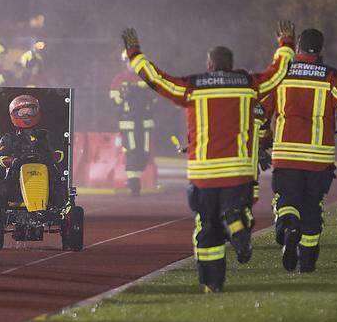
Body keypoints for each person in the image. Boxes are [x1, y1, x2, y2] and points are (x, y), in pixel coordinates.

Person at [121, 24, 294, 293]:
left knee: (207, 227)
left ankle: (212, 283)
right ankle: (238, 226)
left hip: (204, 175)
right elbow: (278, 72)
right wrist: (286, 42)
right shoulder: (249, 85)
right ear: (231, 64)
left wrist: (134, 53)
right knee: (236, 211)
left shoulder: (193, 87)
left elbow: (157, 80)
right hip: (237, 172)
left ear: (210, 64)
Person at [260, 27, 337, 273]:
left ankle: (288, 227)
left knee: (286, 200)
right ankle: (306, 261)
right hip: (319, 159)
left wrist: (263, 143)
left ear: (297, 48)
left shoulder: (282, 73)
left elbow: (263, 112)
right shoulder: (330, 76)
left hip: (286, 157)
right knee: (312, 206)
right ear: (321, 50)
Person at [0, 94, 66, 247]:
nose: (26, 116)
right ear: (14, 115)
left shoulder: (46, 135)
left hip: (45, 180)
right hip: (16, 182)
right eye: (22, 113)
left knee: (61, 191)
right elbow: (1, 159)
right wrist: (13, 160)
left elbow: (59, 154)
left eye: (29, 111)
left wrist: (51, 156)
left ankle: (64, 220)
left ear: (37, 112)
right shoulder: (8, 138)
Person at [110, 50, 157, 196]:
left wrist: (148, 96)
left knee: (144, 151)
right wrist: (124, 97)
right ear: (125, 63)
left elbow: (155, 98)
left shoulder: (148, 78)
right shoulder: (119, 79)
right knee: (131, 150)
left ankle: (136, 178)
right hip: (128, 121)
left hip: (144, 121)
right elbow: (114, 99)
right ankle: (133, 182)